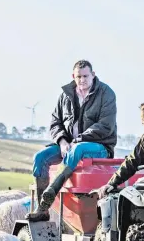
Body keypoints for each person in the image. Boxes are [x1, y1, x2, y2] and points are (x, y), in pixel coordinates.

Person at [27, 59, 117, 221]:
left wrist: (78, 140)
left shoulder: (106, 93)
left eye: (85, 76)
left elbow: (105, 126)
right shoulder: (65, 96)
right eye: (78, 77)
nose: (82, 80)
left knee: (78, 149)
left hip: (99, 146)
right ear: (73, 76)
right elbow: (55, 122)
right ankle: (42, 209)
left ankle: (52, 191)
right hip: (68, 145)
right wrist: (62, 141)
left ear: (93, 75)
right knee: (40, 157)